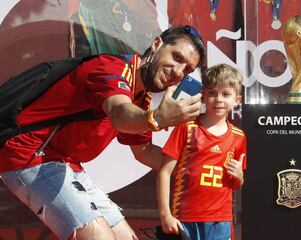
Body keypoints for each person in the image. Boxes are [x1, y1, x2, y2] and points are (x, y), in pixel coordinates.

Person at [0, 25, 206, 240]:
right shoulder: (111, 68)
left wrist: (200, 165)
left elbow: (143, 151)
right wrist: (157, 118)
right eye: (176, 57)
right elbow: (119, 113)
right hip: (28, 153)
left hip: (64, 162)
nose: (178, 72)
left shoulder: (141, 96)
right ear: (156, 44)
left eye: (187, 70)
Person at [157, 63, 247, 240]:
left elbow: (234, 184)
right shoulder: (187, 127)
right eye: (212, 93)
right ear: (203, 97)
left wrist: (239, 177)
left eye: (226, 94)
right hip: (184, 217)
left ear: (237, 100)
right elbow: (164, 172)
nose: (219, 99)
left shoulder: (239, 137)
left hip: (220, 221)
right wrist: (165, 215)